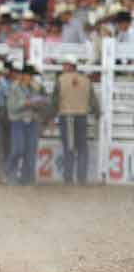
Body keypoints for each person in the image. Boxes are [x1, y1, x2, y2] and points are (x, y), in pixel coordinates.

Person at [51, 55, 100, 185]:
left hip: (67, 115)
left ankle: (68, 177)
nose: (63, 67)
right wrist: (97, 113)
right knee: (82, 147)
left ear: (69, 66)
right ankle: (81, 177)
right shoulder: (86, 80)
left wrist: (49, 117)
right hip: (82, 116)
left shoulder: (60, 80)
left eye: (65, 64)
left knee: (69, 147)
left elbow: (54, 101)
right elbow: (93, 100)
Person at [6, 64, 48, 185]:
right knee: (18, 149)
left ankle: (27, 178)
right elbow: (11, 107)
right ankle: (11, 175)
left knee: (30, 151)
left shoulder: (35, 88)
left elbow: (44, 103)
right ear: (24, 75)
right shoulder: (14, 88)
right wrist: (26, 103)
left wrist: (38, 103)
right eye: (30, 75)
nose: (31, 78)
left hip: (32, 121)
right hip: (18, 121)